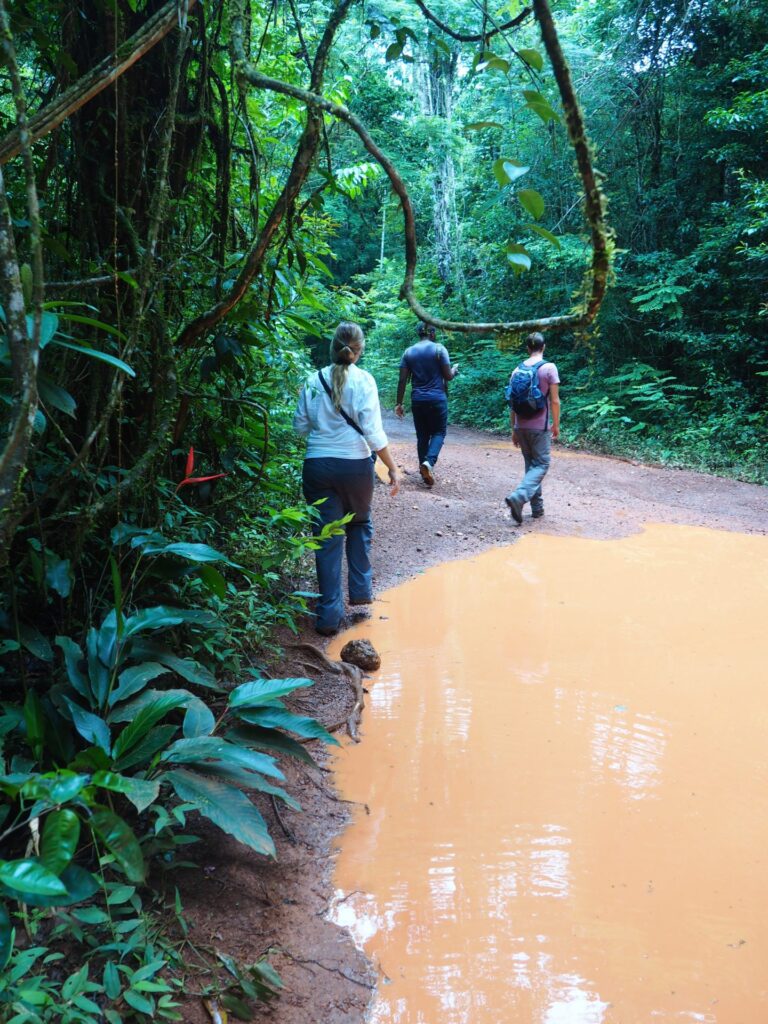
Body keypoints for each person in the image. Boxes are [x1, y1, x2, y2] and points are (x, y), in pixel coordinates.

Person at [293, 322, 400, 636]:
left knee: (326, 538)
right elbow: (373, 434)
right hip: (355, 466)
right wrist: (392, 468)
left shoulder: (312, 380)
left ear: (332, 346)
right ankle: (361, 591)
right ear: (359, 349)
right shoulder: (365, 380)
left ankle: (328, 617)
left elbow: (299, 427)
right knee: (359, 523)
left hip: (317, 465)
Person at [504, 332, 561, 524]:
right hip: (539, 427)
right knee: (542, 464)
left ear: (528, 348)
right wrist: (556, 424)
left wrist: (514, 429)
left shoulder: (516, 370)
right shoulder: (549, 368)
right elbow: (554, 400)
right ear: (543, 347)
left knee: (531, 466)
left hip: (521, 426)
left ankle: (537, 509)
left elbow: (512, 403)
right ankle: (519, 497)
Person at [395, 322, 459, 487]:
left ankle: (424, 471)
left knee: (422, 436)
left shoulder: (408, 352)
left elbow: (402, 380)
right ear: (431, 333)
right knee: (438, 432)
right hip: (437, 399)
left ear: (418, 333)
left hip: (418, 400)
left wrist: (399, 403)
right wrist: (454, 370)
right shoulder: (439, 349)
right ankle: (428, 463)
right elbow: (448, 376)